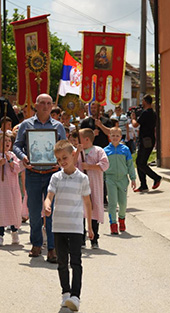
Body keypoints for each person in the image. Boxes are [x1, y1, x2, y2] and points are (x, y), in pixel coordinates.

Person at [13, 93, 67, 261]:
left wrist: (60, 161)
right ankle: (36, 243)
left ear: (52, 106)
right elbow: (16, 146)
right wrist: (23, 157)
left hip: (52, 175)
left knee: (51, 213)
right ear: (35, 105)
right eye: (42, 103)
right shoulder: (25, 125)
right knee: (35, 213)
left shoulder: (58, 126)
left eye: (48, 103)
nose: (45, 106)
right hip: (33, 174)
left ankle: (52, 248)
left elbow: (64, 147)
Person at [44, 140, 93, 312]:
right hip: (58, 226)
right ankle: (65, 293)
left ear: (73, 155)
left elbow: (87, 203)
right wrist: (47, 204)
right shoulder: (56, 177)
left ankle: (76, 296)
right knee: (62, 262)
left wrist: (91, 227)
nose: (62, 162)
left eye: (64, 157)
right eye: (58, 159)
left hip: (75, 227)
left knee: (76, 262)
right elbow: (49, 195)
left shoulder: (82, 178)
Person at [0, 133, 24, 246]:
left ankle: (14, 232)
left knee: (13, 208)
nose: (7, 143)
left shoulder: (13, 155)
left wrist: (10, 161)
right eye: (4, 141)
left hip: (12, 188)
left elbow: (18, 168)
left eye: (9, 141)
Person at [77, 128, 109, 249]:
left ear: (86, 139)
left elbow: (105, 165)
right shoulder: (77, 152)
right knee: (81, 212)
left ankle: (94, 238)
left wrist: (90, 166)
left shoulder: (98, 150)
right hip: (80, 186)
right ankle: (81, 239)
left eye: (79, 138)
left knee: (94, 210)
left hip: (94, 185)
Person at [104, 127, 137, 235]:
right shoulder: (105, 151)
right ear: (109, 136)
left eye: (117, 136)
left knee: (123, 203)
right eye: (113, 135)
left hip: (123, 179)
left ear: (120, 137)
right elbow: (103, 166)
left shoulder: (125, 149)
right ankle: (113, 224)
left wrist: (133, 178)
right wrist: (103, 179)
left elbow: (130, 165)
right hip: (110, 179)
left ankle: (121, 219)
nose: (115, 138)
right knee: (112, 203)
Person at [131, 94, 162, 192]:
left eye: (142, 101)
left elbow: (135, 125)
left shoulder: (145, 113)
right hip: (150, 140)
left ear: (145, 101)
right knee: (140, 162)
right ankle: (143, 184)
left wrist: (133, 118)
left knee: (140, 163)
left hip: (145, 141)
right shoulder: (153, 113)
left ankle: (156, 177)